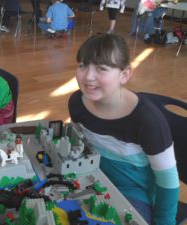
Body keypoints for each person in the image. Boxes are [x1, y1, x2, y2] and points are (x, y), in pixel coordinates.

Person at [68, 33, 179, 225]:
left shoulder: (148, 121)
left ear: (124, 75)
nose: (88, 76)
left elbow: (168, 181)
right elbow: (80, 143)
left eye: (101, 68)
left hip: (132, 194)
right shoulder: (77, 102)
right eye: (82, 65)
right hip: (90, 178)